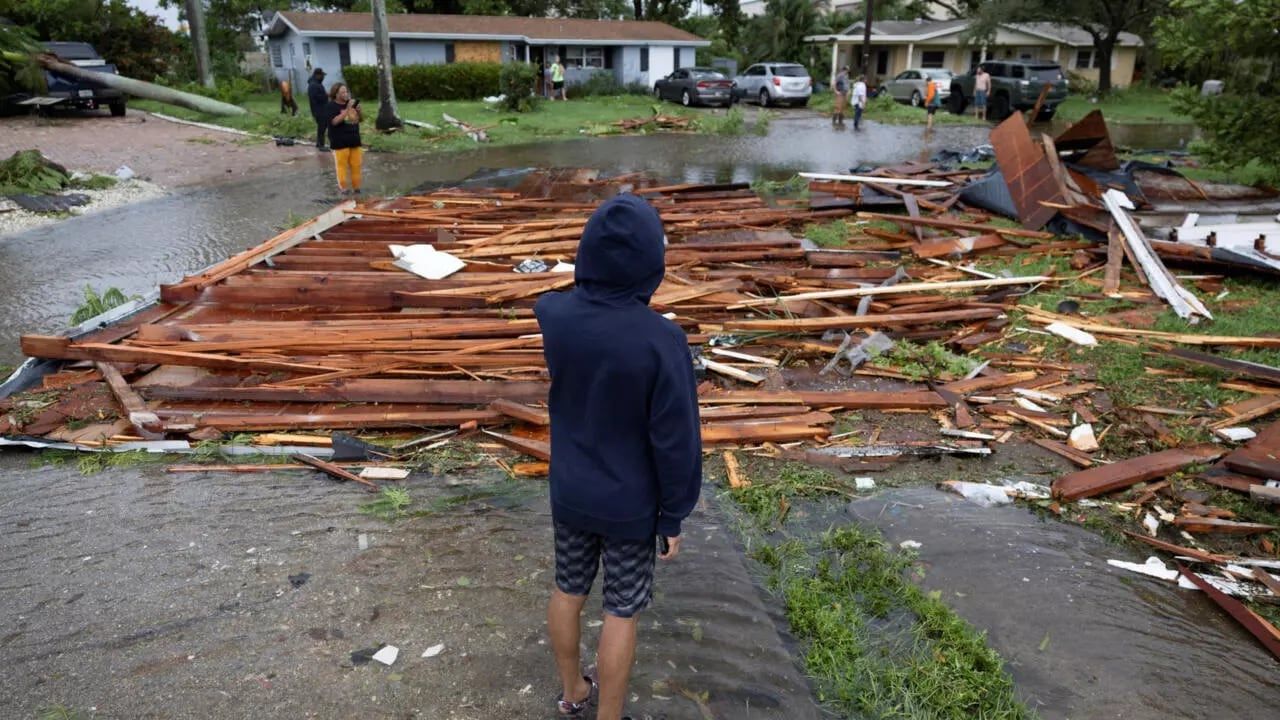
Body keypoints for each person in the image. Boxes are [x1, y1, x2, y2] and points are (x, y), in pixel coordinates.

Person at [534, 194, 702, 720]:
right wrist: (673, 513)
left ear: (587, 254)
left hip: (571, 490)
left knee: (568, 589)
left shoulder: (554, 315)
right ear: (652, 264)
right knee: (621, 610)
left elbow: (553, 298)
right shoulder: (661, 341)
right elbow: (675, 439)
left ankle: (572, 691)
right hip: (630, 504)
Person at [324, 83, 363, 196]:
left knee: (356, 165)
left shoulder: (351, 103)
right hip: (339, 142)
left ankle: (357, 189)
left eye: (346, 92)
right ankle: (344, 189)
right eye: (343, 92)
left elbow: (359, 120)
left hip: (354, 140)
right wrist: (347, 109)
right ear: (336, 94)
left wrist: (359, 111)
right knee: (341, 166)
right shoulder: (331, 106)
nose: (346, 94)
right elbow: (334, 122)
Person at [307, 68, 329, 151]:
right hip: (319, 110)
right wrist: (326, 95)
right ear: (317, 75)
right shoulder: (313, 85)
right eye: (322, 75)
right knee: (322, 127)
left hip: (321, 109)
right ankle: (321, 145)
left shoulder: (316, 83)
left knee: (322, 126)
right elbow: (315, 98)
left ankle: (319, 143)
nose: (323, 77)